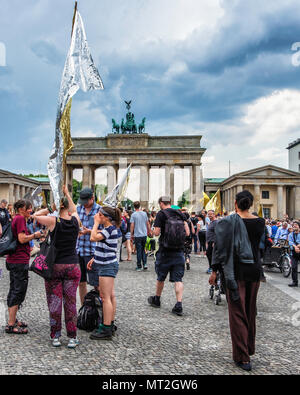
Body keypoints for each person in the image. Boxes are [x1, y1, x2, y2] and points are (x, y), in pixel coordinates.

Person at [209, 190, 265, 372]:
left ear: (235, 203)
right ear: (250, 204)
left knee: (237, 313)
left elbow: (220, 249)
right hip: (255, 271)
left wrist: (215, 271)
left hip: (236, 271)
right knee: (250, 310)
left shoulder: (227, 222)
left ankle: (243, 357)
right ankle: (249, 347)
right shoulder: (260, 222)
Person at [33, 186, 81, 348]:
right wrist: (67, 193)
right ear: (67, 207)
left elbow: (35, 215)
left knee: (54, 301)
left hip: (55, 266)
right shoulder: (75, 221)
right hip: (72, 265)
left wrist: (50, 208)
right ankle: (73, 336)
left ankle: (56, 336)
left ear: (58, 207)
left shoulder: (54, 221)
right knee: (71, 302)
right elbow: (74, 208)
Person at [148, 196, 190, 316]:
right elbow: (187, 233)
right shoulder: (180, 213)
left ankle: (157, 299)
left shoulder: (161, 214)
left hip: (165, 251)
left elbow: (156, 232)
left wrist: (151, 232)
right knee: (178, 279)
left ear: (161, 203)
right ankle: (179, 304)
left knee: (161, 277)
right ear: (170, 203)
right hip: (179, 251)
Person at [5, 200, 43, 334]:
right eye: (28, 208)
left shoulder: (17, 218)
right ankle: (10, 324)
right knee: (18, 291)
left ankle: (13, 319)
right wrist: (35, 235)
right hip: (19, 260)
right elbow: (21, 239)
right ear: (21, 208)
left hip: (14, 259)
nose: (30, 210)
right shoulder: (20, 218)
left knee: (14, 289)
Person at [88, 206, 122, 340]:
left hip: (106, 266)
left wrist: (95, 223)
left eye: (99, 215)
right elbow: (104, 245)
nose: (97, 216)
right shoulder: (109, 229)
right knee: (110, 296)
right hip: (107, 264)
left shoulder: (109, 229)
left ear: (106, 217)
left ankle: (106, 328)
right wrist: (94, 258)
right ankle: (110, 323)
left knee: (105, 296)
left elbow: (93, 238)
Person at [76, 187, 101, 305]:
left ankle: (100, 309)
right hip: (79, 250)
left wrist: (89, 231)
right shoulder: (78, 209)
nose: (83, 204)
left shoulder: (100, 211)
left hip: (93, 252)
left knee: (97, 283)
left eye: (85, 202)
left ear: (92, 198)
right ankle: (84, 308)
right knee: (81, 282)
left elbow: (105, 232)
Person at [130, 201, 151, 271]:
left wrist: (131, 234)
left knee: (139, 250)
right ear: (139, 206)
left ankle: (139, 266)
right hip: (144, 234)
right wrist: (149, 231)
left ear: (134, 206)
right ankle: (145, 264)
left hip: (137, 235)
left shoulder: (133, 215)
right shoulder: (144, 213)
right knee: (144, 249)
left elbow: (132, 225)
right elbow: (148, 223)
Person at [288, 221, 300, 287]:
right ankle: (295, 282)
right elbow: (290, 242)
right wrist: (295, 247)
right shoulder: (290, 234)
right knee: (294, 267)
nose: (294, 226)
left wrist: (298, 246)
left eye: (296, 225)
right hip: (294, 253)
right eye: (293, 225)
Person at [206, 210, 217, 274]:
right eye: (208, 214)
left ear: (214, 214)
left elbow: (217, 232)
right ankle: (211, 267)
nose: (209, 215)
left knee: (210, 255)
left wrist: (214, 242)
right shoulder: (211, 222)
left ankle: (212, 268)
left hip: (213, 242)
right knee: (209, 254)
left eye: (211, 214)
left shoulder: (216, 222)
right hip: (210, 241)